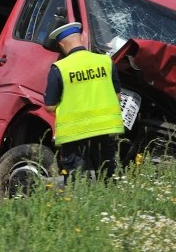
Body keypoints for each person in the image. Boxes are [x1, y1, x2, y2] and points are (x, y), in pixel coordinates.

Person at [43, 22, 124, 183]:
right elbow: (118, 96)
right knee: (109, 179)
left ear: (61, 45)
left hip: (75, 134)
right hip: (105, 129)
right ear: (81, 38)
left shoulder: (60, 68)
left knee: (79, 184)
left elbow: (50, 106)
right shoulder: (106, 62)